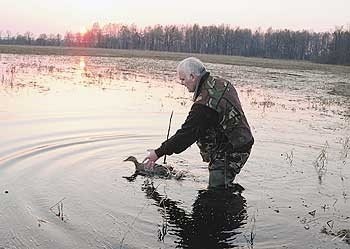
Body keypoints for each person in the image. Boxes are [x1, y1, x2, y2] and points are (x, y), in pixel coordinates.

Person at [144, 57, 254, 188]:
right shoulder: (221, 83)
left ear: (192, 76)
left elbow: (186, 135)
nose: (182, 83)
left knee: (217, 190)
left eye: (183, 79)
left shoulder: (205, 104)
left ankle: (231, 202)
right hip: (237, 141)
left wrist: (158, 153)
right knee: (222, 184)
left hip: (233, 148)